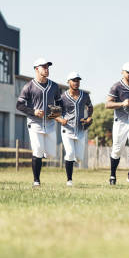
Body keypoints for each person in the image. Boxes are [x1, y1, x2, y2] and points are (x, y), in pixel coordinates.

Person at [16, 58, 61, 187]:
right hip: (34, 123)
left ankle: (43, 156)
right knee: (38, 150)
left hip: (50, 124)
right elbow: (19, 105)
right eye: (44, 67)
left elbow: (59, 104)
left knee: (51, 154)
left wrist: (56, 113)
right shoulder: (29, 86)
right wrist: (33, 111)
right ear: (36, 69)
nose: (47, 69)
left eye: (48, 67)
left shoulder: (54, 86)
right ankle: (36, 181)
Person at [55, 72, 93, 186]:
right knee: (70, 153)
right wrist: (60, 120)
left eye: (78, 80)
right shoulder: (62, 98)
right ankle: (69, 180)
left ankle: (73, 162)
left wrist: (89, 117)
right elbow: (53, 114)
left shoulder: (85, 95)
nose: (76, 82)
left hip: (81, 130)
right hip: (67, 129)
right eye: (74, 80)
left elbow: (90, 107)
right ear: (68, 82)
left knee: (80, 158)